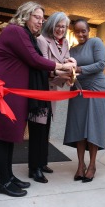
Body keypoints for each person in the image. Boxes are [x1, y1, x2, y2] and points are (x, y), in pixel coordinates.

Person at [0, 1, 75, 197]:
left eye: (42, 18)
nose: (40, 21)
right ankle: (2, 181)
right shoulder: (15, 31)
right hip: (6, 92)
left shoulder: (25, 35)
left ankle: (8, 176)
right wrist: (62, 67)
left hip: (14, 92)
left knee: (10, 137)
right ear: (25, 15)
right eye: (37, 17)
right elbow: (34, 60)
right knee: (3, 136)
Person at [28, 12, 72, 183]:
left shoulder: (65, 42)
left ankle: (42, 162)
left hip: (52, 91)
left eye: (64, 26)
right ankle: (34, 168)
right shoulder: (41, 40)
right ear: (51, 25)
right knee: (37, 130)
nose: (61, 29)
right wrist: (66, 71)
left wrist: (71, 67)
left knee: (45, 129)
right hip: (40, 90)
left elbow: (67, 62)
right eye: (58, 26)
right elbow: (45, 68)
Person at [64, 19, 105, 183]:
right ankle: (80, 165)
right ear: (74, 32)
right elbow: (69, 70)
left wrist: (80, 69)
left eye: (84, 31)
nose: (81, 34)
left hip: (97, 86)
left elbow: (101, 64)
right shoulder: (72, 50)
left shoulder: (96, 42)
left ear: (89, 30)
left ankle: (92, 165)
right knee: (78, 126)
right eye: (77, 31)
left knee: (93, 126)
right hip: (78, 88)